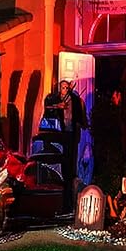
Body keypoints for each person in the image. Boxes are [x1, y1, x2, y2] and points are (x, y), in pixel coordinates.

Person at [44, 80, 88, 213]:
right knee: (61, 158)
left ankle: (70, 178)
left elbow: (79, 115)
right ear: (60, 89)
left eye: (67, 87)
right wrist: (58, 107)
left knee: (71, 159)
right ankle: (61, 178)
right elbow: (47, 110)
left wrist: (82, 123)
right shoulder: (54, 99)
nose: (65, 89)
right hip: (59, 133)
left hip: (71, 132)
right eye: (63, 87)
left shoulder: (74, 99)